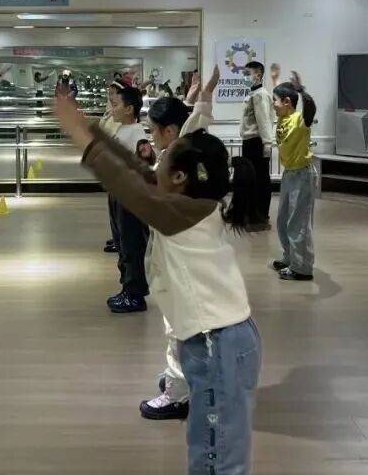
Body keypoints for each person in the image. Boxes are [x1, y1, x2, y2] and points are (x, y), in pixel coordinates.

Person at [53, 85, 262, 475]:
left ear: (179, 177)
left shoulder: (179, 214)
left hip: (217, 343)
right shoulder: (190, 205)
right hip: (219, 340)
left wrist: (82, 136)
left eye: (163, 162)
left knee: (216, 454)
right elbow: (136, 173)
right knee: (211, 442)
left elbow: (129, 185)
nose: (154, 164)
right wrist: (91, 129)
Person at [140, 68, 219, 422]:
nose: (151, 136)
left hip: (180, 260)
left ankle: (178, 394)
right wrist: (201, 97)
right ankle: (187, 379)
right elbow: (195, 123)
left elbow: (192, 125)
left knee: (179, 327)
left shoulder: (179, 158)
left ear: (169, 132)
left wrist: (202, 98)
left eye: (154, 130)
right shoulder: (186, 152)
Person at [105, 86, 150, 313]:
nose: (112, 109)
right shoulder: (123, 129)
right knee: (122, 244)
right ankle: (127, 288)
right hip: (117, 193)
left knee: (132, 245)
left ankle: (135, 295)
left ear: (129, 108)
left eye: (116, 105)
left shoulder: (137, 134)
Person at [269, 70, 317, 281]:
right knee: (283, 221)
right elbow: (283, 96)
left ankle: (302, 268)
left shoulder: (299, 120)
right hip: (289, 174)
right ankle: (290, 257)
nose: (273, 104)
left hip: (302, 175)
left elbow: (310, 110)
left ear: (287, 102)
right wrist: (276, 81)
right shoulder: (283, 117)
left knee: (298, 222)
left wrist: (301, 91)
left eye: (275, 101)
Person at [238, 61, 275, 229]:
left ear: (258, 75)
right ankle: (252, 214)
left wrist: (267, 143)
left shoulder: (260, 95)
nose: (244, 77)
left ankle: (261, 216)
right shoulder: (252, 94)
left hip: (257, 142)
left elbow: (264, 121)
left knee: (260, 180)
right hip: (249, 142)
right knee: (251, 180)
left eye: (248, 74)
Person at [100, 81, 124, 254]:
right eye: (110, 93)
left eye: (114, 92)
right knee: (112, 205)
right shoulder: (111, 112)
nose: (111, 96)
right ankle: (116, 237)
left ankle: (120, 239)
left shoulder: (121, 116)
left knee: (117, 207)